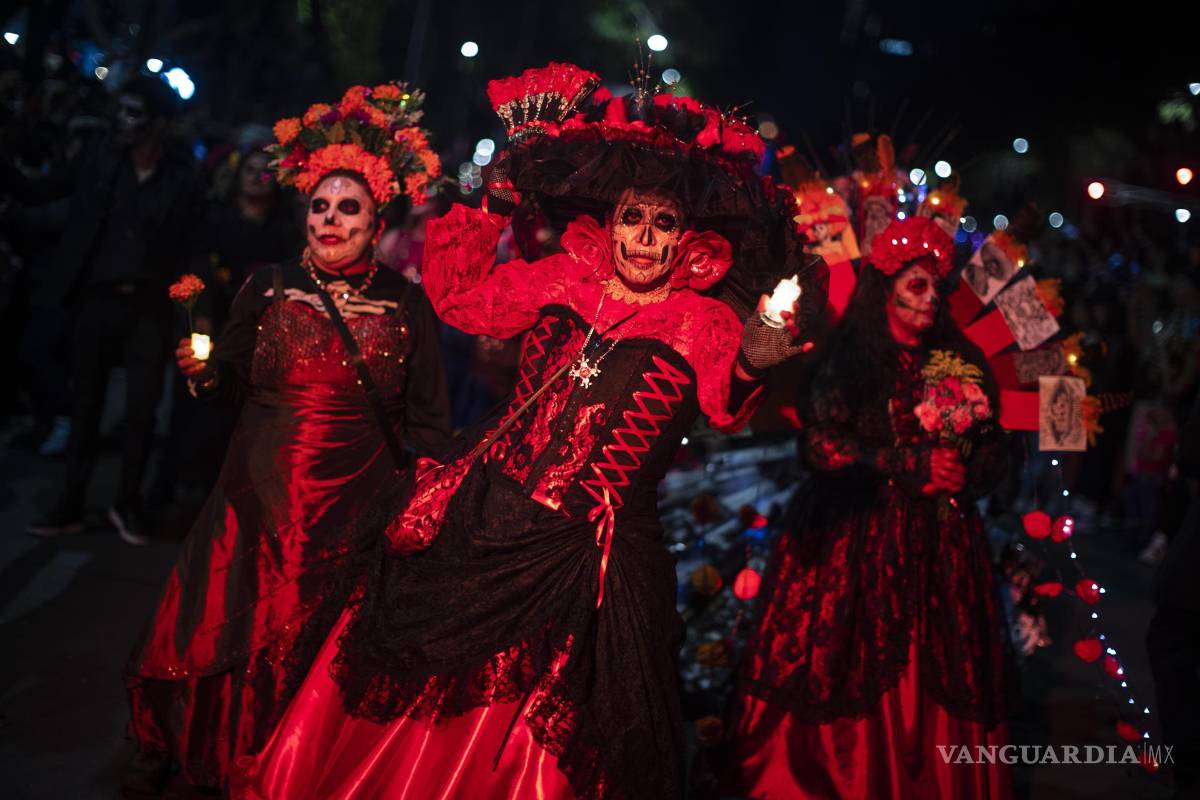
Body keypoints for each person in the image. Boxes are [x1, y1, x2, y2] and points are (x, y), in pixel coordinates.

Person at [232, 62, 820, 800]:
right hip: (490, 511)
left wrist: (756, 357)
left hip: (593, 557)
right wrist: (490, 207)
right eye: (632, 219)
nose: (644, 239)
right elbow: (461, 302)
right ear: (610, 223)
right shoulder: (557, 278)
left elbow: (726, 403)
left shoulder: (701, 320)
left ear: (684, 239)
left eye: (663, 224)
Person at [123, 82, 450, 793]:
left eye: (348, 209)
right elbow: (227, 385)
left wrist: (425, 498)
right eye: (320, 206)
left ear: (377, 219)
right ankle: (222, 752)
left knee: (320, 640)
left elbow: (427, 418)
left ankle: (297, 762)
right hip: (256, 500)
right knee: (235, 625)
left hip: (356, 509)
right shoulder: (266, 287)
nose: (329, 220)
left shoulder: (406, 302)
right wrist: (202, 377)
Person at [724, 216, 1013, 799]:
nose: (932, 300)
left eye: (938, 287)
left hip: (942, 548)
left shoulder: (956, 360)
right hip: (854, 544)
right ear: (886, 287)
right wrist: (907, 465)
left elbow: (992, 449)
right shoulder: (850, 361)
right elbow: (822, 444)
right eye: (916, 286)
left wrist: (966, 462)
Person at [27, 74, 202, 544]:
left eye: (135, 113)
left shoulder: (181, 176)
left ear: (158, 123)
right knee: (87, 405)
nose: (124, 122)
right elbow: (43, 192)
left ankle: (127, 503)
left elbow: (191, 246)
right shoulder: (101, 160)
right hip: (96, 302)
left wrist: (191, 316)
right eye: (121, 110)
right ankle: (71, 503)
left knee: (143, 411)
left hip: (148, 308)